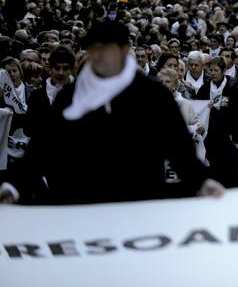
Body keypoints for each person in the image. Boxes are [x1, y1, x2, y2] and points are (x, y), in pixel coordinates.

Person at [0, 20, 223, 205]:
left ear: (124, 51)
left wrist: (201, 182)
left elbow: (178, 147)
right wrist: (15, 185)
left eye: (105, 49)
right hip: (82, 202)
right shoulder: (71, 95)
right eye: (93, 49)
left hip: (139, 201)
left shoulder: (152, 94)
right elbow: (44, 145)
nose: (97, 55)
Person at [195, 57, 238, 187]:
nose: (213, 73)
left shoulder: (234, 86)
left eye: (216, 70)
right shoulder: (205, 88)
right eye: (211, 70)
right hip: (211, 135)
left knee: (230, 168)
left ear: (224, 70)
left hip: (230, 133)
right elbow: (198, 109)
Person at [24, 46, 75, 138]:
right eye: (57, 68)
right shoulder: (37, 95)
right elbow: (28, 129)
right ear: (50, 68)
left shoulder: (80, 94)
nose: (60, 72)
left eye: (65, 68)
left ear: (71, 69)